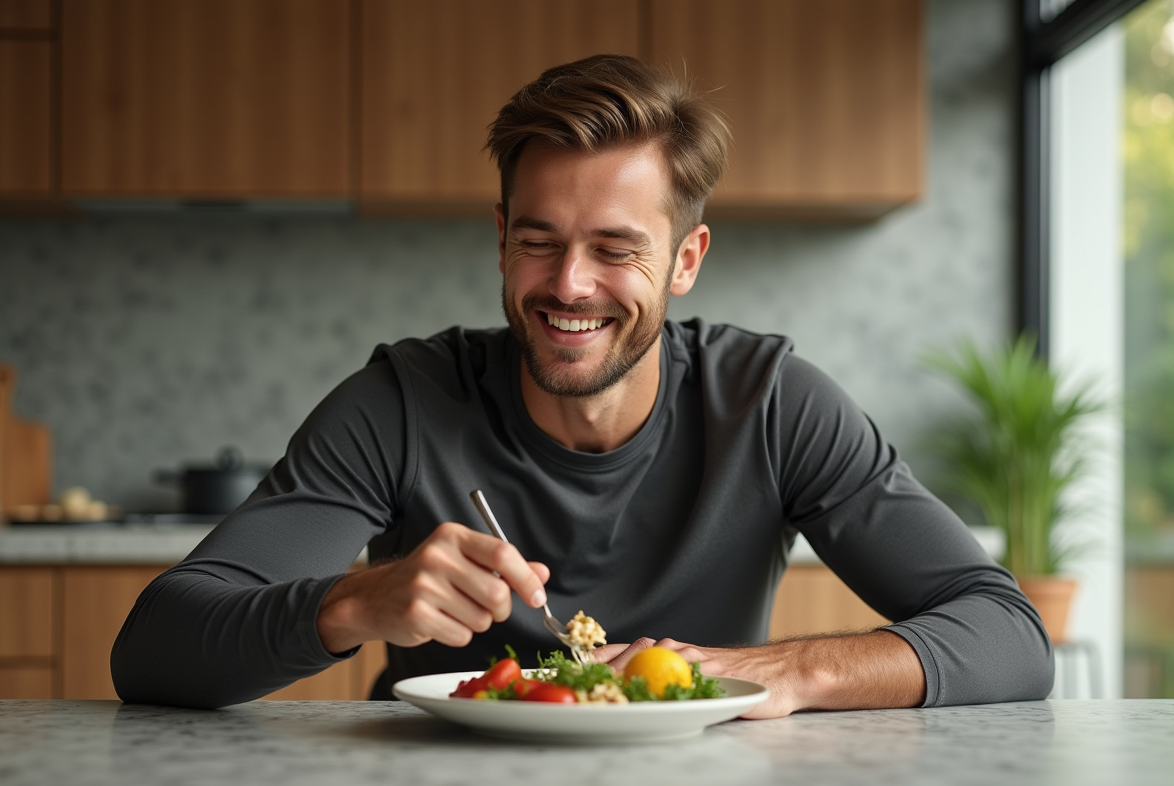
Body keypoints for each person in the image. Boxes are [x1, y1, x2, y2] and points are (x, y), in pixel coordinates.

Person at [111, 55, 1053, 716]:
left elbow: (1007, 632)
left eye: (615, 249)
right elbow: (154, 649)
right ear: (500, 237)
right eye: (538, 242)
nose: (568, 285)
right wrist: (354, 603)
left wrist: (786, 671)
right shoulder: (403, 400)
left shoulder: (770, 401)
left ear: (685, 260)